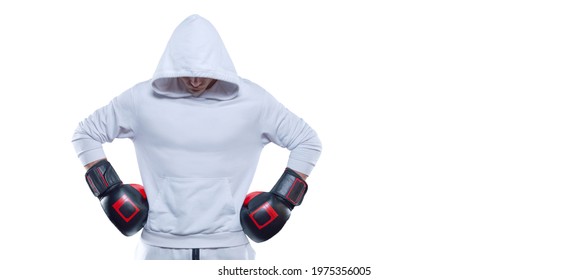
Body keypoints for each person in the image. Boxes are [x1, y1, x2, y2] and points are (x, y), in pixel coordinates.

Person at [72, 14, 321, 260]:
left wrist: (283, 199)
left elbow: (307, 142)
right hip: (158, 247)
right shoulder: (141, 100)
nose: (194, 80)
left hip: (229, 247)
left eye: (202, 72)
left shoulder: (254, 102)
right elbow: (86, 133)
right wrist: (109, 190)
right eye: (186, 71)